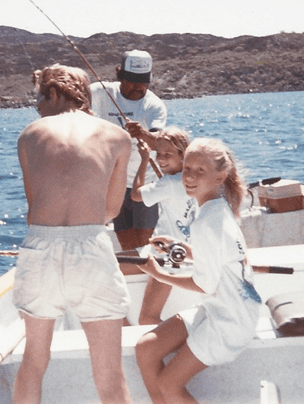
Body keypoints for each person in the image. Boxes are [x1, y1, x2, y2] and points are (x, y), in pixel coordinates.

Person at [14, 64, 133, 404]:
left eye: (40, 97)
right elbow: (111, 211)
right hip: (92, 248)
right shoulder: (118, 137)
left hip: (41, 246)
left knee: (33, 362)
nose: (37, 106)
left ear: (53, 93)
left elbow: (33, 208)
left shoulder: (29, 135)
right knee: (110, 374)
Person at [135, 138, 262, 404]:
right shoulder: (218, 207)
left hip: (230, 320)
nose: (189, 177)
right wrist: (180, 247)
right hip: (223, 307)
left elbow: (204, 285)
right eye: (187, 169)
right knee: (147, 348)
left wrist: (158, 273)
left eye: (200, 171)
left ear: (220, 176)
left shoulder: (207, 220)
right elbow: (216, 258)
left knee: (168, 385)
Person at [90, 49, 168, 251]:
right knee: (126, 242)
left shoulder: (154, 105)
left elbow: (159, 143)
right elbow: (71, 92)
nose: (138, 87)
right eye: (132, 80)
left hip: (144, 183)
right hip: (114, 182)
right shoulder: (101, 92)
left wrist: (142, 133)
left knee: (145, 244)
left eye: (143, 81)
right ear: (119, 75)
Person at [130, 126, 196, 325]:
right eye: (158, 154)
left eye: (168, 154)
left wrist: (144, 160)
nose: (160, 159)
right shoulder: (192, 179)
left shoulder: (168, 183)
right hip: (186, 253)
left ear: (183, 155)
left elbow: (135, 194)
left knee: (147, 319)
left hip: (166, 257)